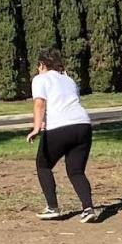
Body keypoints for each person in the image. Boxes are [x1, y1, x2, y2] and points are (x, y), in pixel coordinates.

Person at [27, 49, 97, 222]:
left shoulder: (40, 79)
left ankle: (52, 207)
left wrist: (36, 127)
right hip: (82, 125)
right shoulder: (68, 79)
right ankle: (88, 209)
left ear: (42, 65)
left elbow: (39, 103)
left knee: (43, 165)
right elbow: (66, 103)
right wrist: (44, 121)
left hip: (60, 128)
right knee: (76, 170)